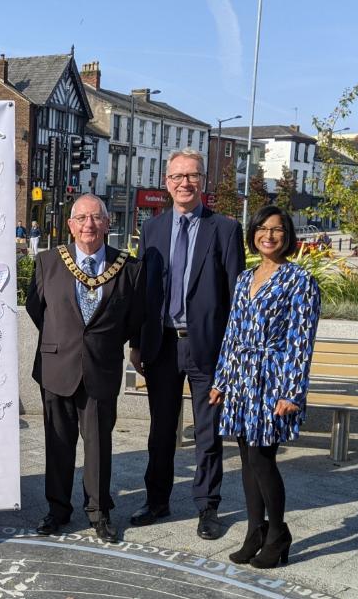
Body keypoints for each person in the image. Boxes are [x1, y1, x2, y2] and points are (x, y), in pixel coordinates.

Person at [128, 148, 245, 540]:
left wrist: (231, 357)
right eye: (177, 176)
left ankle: (207, 506)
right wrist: (137, 342)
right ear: (166, 183)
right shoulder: (152, 230)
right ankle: (156, 500)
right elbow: (143, 292)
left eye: (192, 176)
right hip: (161, 345)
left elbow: (235, 298)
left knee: (208, 432)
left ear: (203, 182)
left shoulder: (225, 230)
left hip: (206, 347)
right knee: (161, 429)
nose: (184, 183)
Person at [26, 194, 143, 543]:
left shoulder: (129, 267)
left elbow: (135, 318)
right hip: (56, 365)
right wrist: (63, 339)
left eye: (96, 218)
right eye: (81, 218)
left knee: (98, 446)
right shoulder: (48, 262)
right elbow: (37, 308)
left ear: (108, 224)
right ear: (70, 224)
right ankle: (58, 510)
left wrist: (102, 345)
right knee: (58, 444)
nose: (88, 225)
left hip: (101, 369)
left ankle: (99, 511)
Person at [209, 205, 321, 569]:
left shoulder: (299, 280)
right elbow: (233, 333)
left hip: (272, 378)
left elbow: (301, 341)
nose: (268, 235)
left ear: (287, 236)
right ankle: (255, 530)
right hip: (242, 377)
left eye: (276, 230)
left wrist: (291, 391)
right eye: (262, 229)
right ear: (253, 233)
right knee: (245, 457)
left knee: (262, 458)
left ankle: (278, 534)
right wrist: (221, 380)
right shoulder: (245, 278)